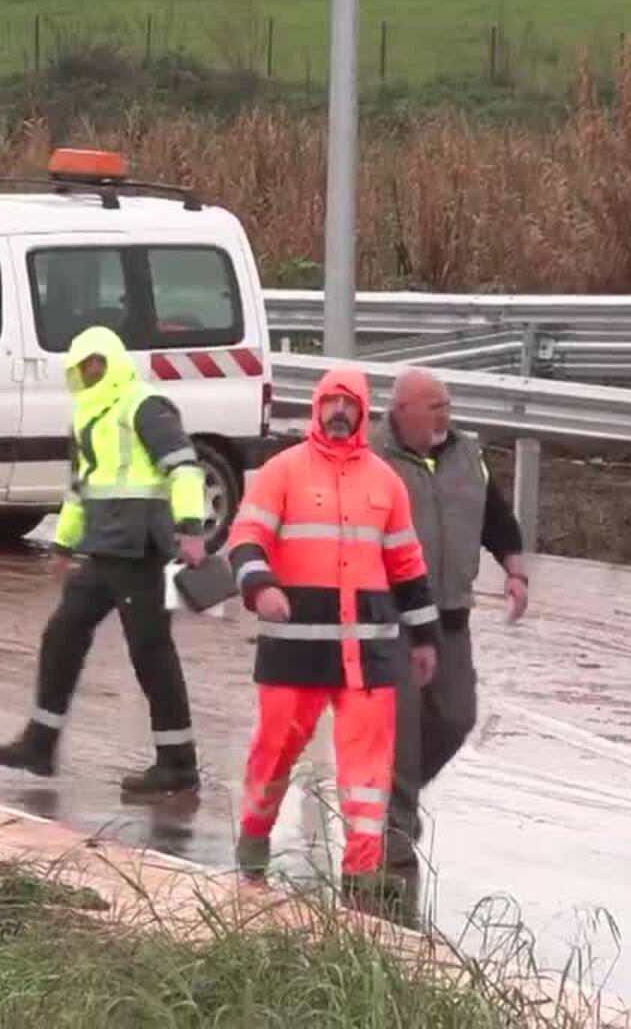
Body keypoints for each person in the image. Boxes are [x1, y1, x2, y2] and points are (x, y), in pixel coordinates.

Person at [225, 366, 441, 914]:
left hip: (367, 657)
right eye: (331, 403)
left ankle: (360, 887)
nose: (340, 412)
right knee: (272, 756)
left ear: (364, 412)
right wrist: (259, 586)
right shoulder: (282, 472)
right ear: (316, 408)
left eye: (349, 404)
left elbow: (407, 566)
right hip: (294, 650)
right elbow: (246, 538)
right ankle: (252, 854)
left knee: (368, 777)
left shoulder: (385, 483)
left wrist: (424, 638)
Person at [0, 325, 210, 798]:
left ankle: (178, 764)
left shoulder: (143, 404)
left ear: (110, 362)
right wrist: (64, 546)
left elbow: (185, 467)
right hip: (104, 551)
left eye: (94, 364)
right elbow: (80, 489)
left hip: (141, 551)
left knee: (150, 652)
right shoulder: (86, 415)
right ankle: (40, 744)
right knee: (62, 634)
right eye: (82, 367)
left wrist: (191, 528)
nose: (88, 373)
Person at [371, 366, 530, 881]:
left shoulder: (468, 454)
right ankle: (393, 838)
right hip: (391, 617)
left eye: (447, 405)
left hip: (451, 615)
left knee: (456, 717)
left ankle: (394, 801)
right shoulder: (372, 457)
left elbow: (495, 517)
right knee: (401, 730)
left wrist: (515, 571)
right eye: (435, 406)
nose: (446, 415)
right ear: (402, 411)